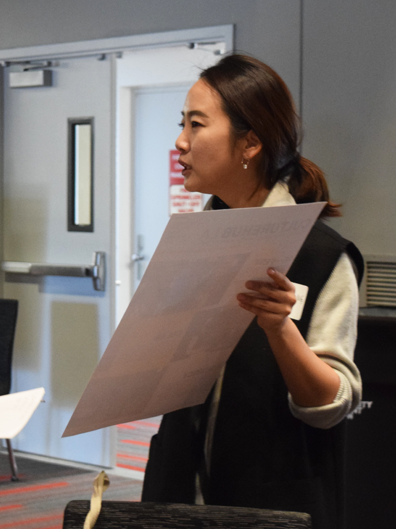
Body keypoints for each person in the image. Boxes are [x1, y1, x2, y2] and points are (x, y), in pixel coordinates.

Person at [141, 54, 363, 529]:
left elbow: (331, 406)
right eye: (182, 124)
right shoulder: (191, 242)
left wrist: (280, 329)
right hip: (178, 491)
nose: (180, 142)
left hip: (272, 504)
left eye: (196, 125)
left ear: (251, 143)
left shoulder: (322, 254)